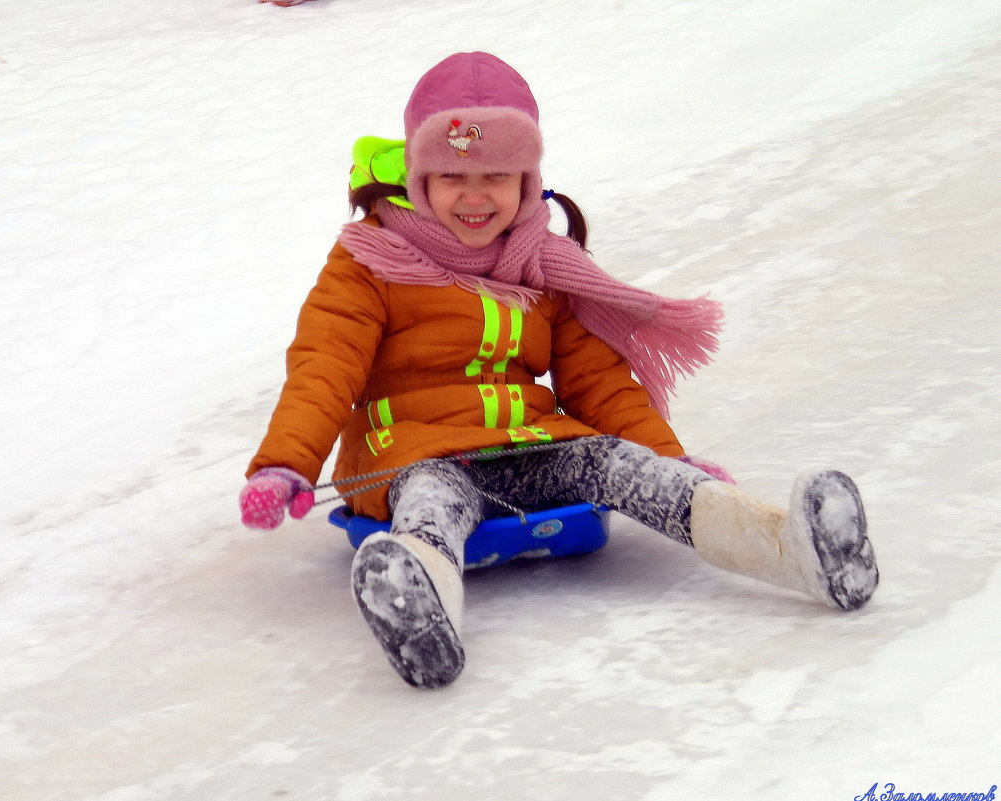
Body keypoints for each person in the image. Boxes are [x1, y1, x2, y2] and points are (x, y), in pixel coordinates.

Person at [239, 52, 879, 689]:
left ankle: (792, 551)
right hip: (416, 453)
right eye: (452, 175)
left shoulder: (544, 263)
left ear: (527, 179)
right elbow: (325, 368)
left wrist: (669, 456)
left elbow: (596, 378)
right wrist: (285, 464)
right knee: (431, 503)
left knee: (623, 466)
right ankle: (419, 600)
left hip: (533, 444)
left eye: (497, 174)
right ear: (418, 177)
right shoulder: (371, 259)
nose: (475, 195)